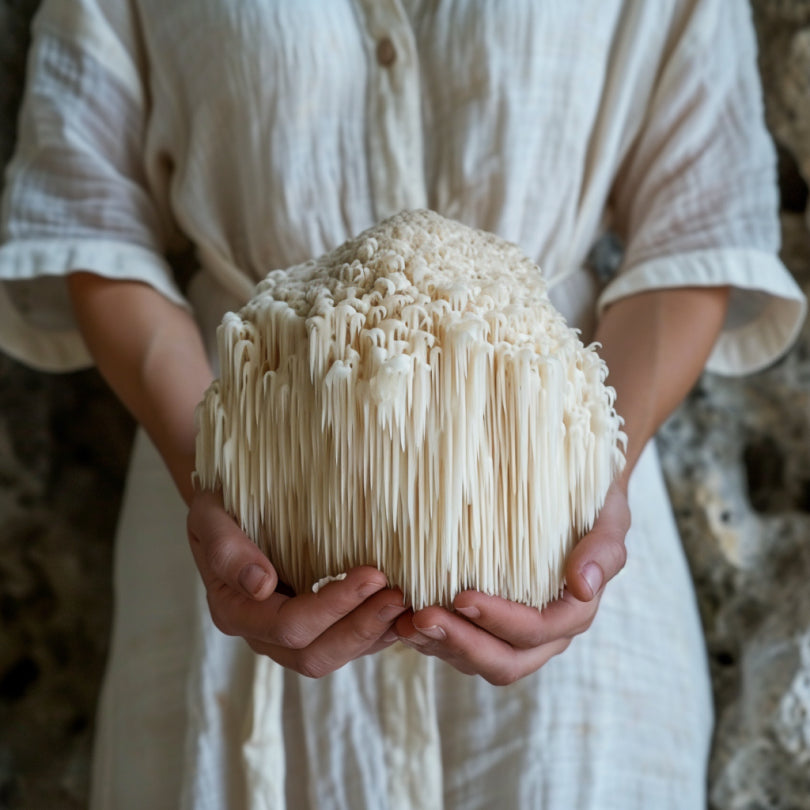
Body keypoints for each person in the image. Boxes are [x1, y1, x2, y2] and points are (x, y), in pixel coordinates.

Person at [0, 0, 806, 807]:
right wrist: (212, 472)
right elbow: (90, 218)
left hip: (562, 587)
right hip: (227, 523)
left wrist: (597, 476)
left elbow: (698, 227)